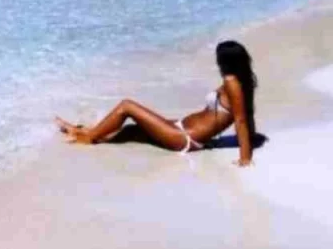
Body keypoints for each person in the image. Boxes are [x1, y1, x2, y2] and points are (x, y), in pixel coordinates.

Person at [55, 41, 258, 165]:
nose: (217, 62)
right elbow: (248, 115)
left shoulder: (232, 83)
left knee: (127, 106)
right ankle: (85, 132)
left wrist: (245, 157)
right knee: (130, 131)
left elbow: (240, 120)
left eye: (218, 59)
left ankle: (88, 137)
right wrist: (254, 137)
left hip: (184, 138)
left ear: (225, 61)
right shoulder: (244, 81)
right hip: (180, 128)